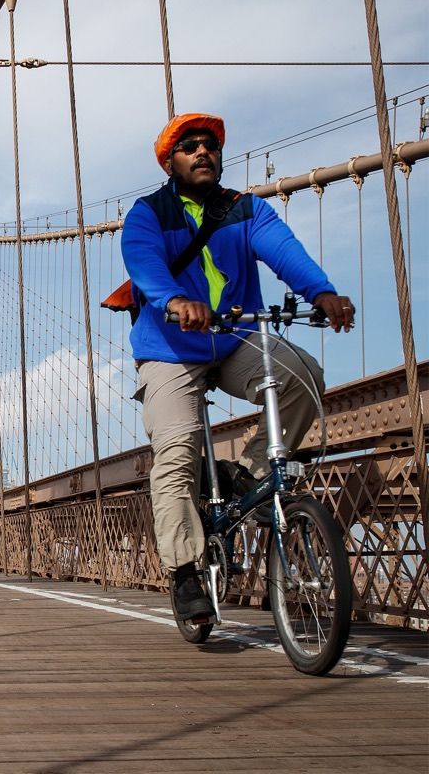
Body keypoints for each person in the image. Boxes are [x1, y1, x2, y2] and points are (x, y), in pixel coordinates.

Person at [121, 112, 354, 621]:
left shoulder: (245, 210)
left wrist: (323, 292)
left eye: (210, 145)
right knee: (178, 452)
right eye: (190, 147)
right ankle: (185, 575)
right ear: (171, 161)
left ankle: (246, 476)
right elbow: (145, 266)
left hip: (231, 339)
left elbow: (283, 251)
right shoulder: (147, 215)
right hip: (169, 349)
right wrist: (176, 300)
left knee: (303, 376)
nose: (202, 152)